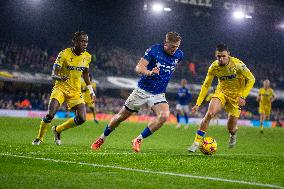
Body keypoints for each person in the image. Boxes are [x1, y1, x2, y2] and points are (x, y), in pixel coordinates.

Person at [91, 32, 183, 152]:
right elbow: (139, 67)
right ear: (165, 43)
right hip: (142, 91)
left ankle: (138, 139)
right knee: (120, 117)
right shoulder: (154, 50)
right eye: (172, 46)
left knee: (164, 116)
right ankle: (102, 138)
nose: (174, 49)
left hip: (158, 94)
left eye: (177, 47)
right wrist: (149, 72)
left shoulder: (179, 55)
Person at [188, 44, 255, 152]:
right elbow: (206, 85)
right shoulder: (214, 67)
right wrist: (198, 103)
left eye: (223, 56)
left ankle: (233, 134)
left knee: (231, 128)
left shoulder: (238, 65)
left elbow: (251, 79)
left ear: (228, 54)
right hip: (221, 93)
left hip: (236, 97)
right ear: (216, 55)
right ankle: (195, 143)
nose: (221, 59)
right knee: (210, 114)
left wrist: (243, 96)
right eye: (218, 56)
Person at [32, 31, 95, 145]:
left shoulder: (87, 57)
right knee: (50, 114)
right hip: (60, 88)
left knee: (82, 118)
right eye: (82, 41)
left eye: (86, 42)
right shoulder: (64, 54)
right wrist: (60, 77)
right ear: (74, 41)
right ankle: (39, 138)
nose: (85, 44)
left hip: (75, 91)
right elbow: (53, 74)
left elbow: (85, 74)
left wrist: (91, 91)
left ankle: (57, 130)